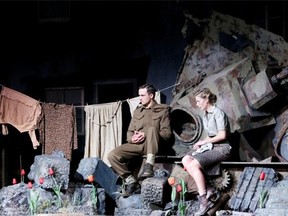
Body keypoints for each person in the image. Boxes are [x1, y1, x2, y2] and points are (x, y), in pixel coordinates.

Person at [108, 83, 172, 197]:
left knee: (152, 129)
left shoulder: (163, 110)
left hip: (154, 145)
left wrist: (146, 134)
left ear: (151, 95)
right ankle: (130, 180)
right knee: (112, 155)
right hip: (138, 145)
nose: (140, 98)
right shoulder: (137, 111)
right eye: (139, 95)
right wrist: (132, 138)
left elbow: (167, 134)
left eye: (142, 95)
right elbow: (129, 132)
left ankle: (149, 166)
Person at [181, 88, 232, 216]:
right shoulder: (205, 115)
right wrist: (201, 142)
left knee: (194, 164)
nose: (197, 104)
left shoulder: (218, 113)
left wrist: (204, 142)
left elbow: (222, 135)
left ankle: (204, 201)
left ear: (206, 99)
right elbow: (210, 135)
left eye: (198, 101)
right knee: (185, 159)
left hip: (222, 148)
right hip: (211, 146)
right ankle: (208, 190)